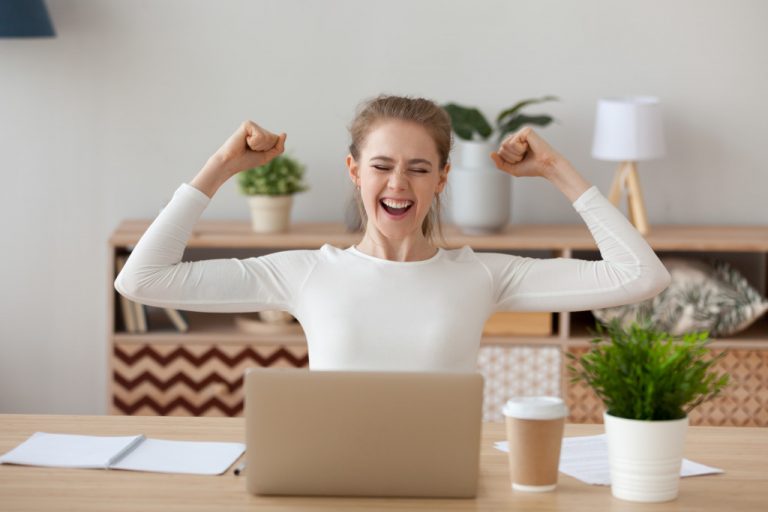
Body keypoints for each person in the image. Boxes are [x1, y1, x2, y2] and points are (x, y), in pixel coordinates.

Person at [115, 95, 671, 373]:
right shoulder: (305, 273)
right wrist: (220, 165)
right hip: (331, 487)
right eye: (381, 165)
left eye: (419, 168)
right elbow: (141, 279)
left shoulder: (484, 274)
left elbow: (639, 276)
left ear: (442, 179)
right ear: (355, 172)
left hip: (444, 488)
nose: (398, 184)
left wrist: (556, 171)